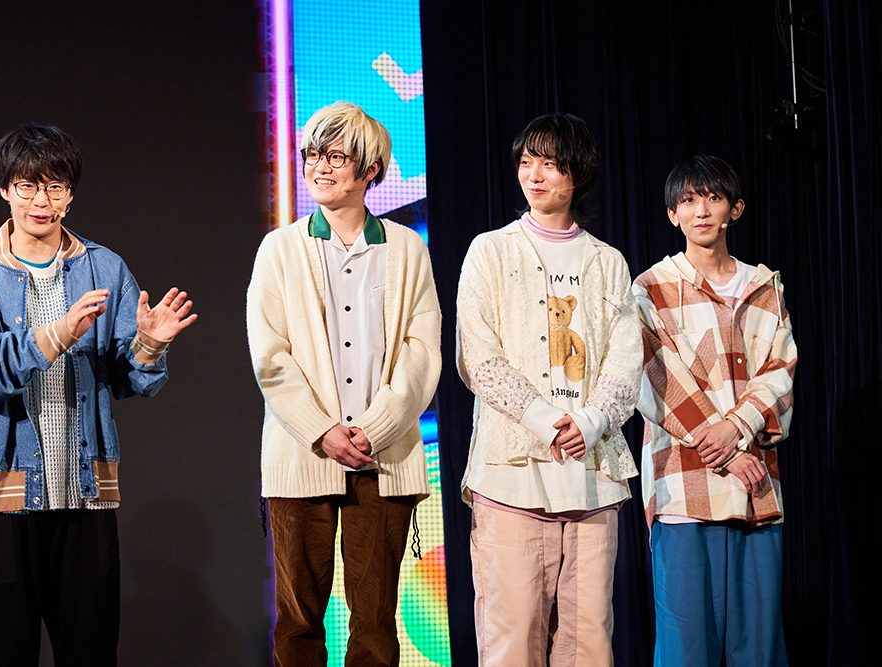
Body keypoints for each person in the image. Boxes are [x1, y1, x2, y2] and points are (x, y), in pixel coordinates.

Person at [0, 123, 196, 666]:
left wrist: (149, 344)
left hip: (85, 496)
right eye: (27, 186)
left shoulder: (104, 267)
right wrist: (58, 333)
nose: (41, 202)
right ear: (5, 190)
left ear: (71, 194)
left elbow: (131, 378)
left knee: (90, 654)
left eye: (55, 187)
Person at [246, 101, 441, 666]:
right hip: (301, 453)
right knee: (298, 622)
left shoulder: (406, 247)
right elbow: (270, 356)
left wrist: (375, 428)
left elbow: (422, 350)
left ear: (370, 169)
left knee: (375, 622)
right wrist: (322, 429)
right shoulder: (280, 248)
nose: (319, 167)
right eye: (312, 154)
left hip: (383, 457)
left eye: (335, 156)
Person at [456, 113, 641, 667]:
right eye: (525, 162)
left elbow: (626, 359)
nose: (533, 176)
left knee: (588, 643)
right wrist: (543, 420)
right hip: (510, 475)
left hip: (591, 480)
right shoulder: (490, 250)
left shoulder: (608, 262)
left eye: (550, 164)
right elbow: (477, 354)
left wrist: (590, 422)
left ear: (577, 173)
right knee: (512, 640)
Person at [634, 154, 796, 666]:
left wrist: (737, 428)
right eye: (687, 200)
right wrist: (724, 446)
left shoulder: (765, 288)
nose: (700, 210)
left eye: (712, 198)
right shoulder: (651, 288)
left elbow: (780, 372)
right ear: (672, 215)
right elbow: (656, 377)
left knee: (759, 649)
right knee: (686, 650)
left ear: (735, 209)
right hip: (685, 490)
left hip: (755, 490)